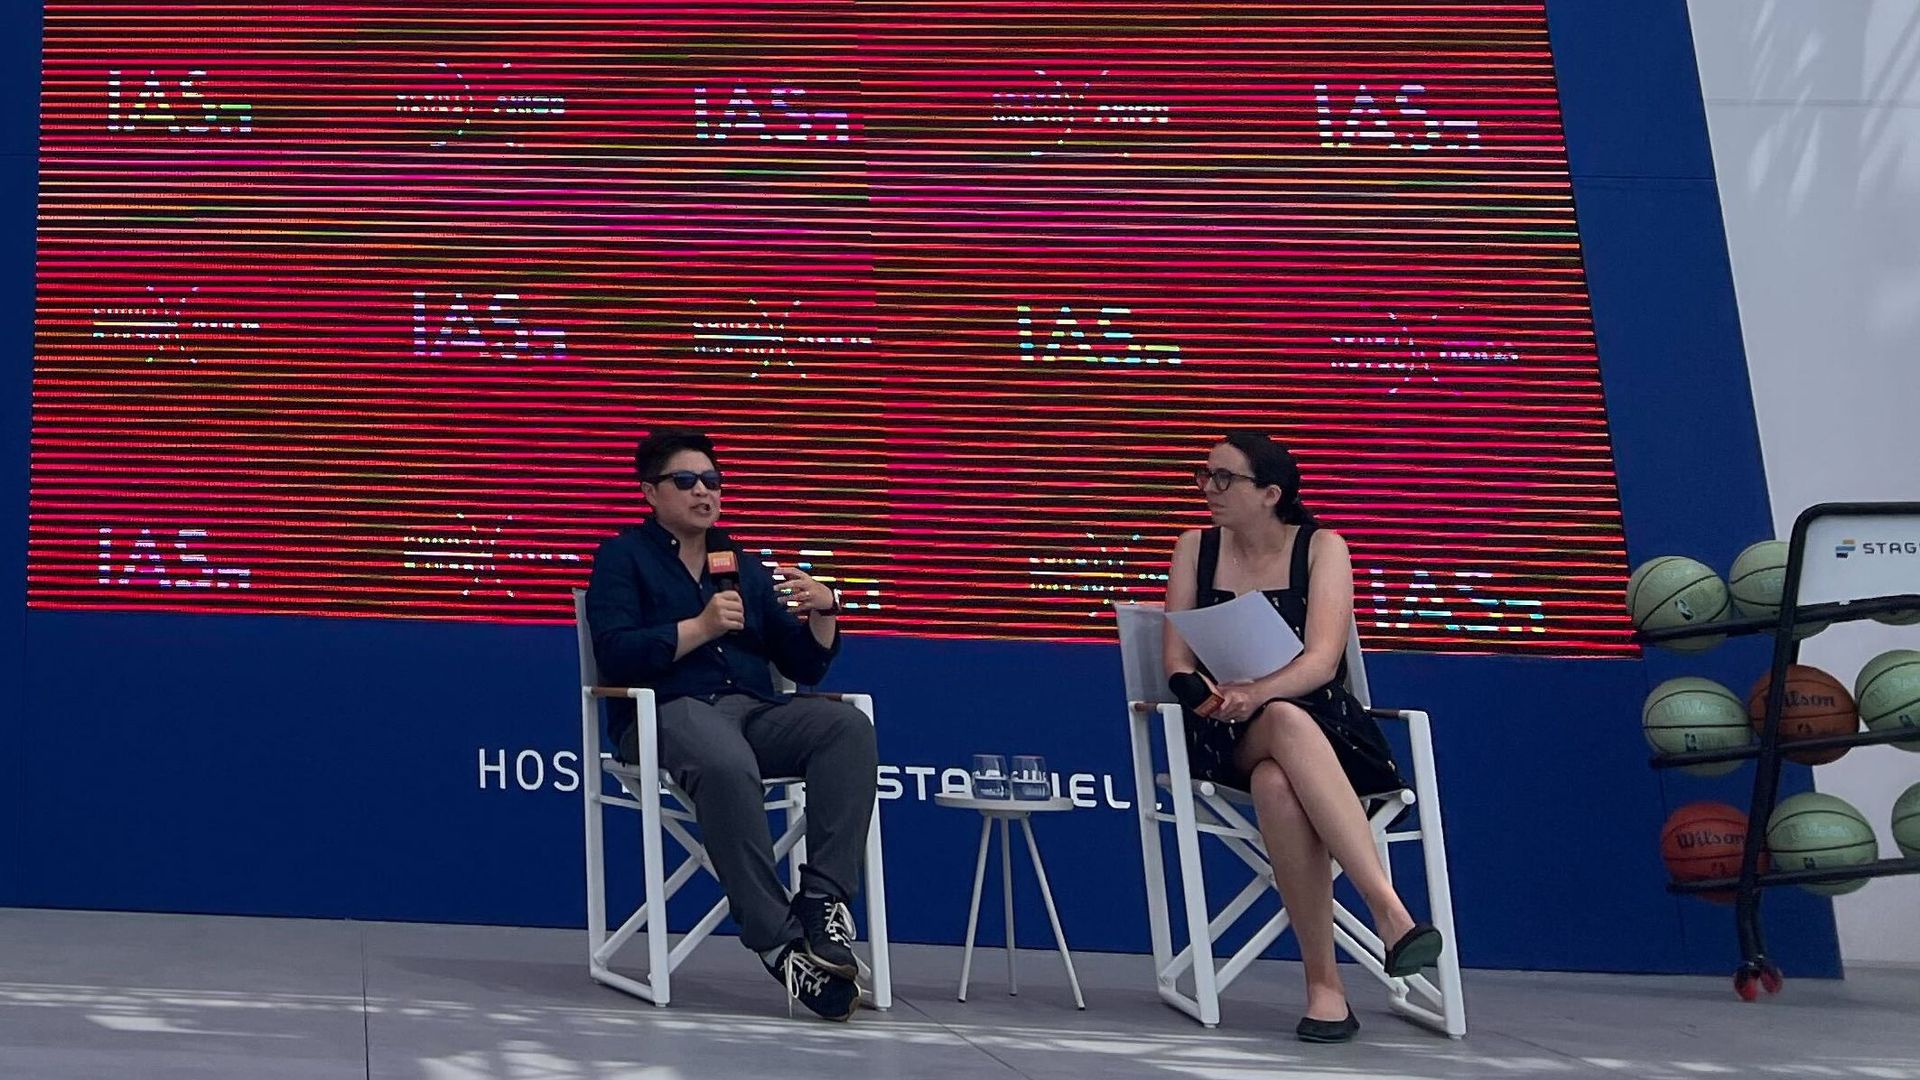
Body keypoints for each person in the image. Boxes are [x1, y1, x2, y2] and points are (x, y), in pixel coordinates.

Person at [585, 428, 876, 1022]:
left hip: (750, 709)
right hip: (666, 712)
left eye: (712, 481)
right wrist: (700, 627)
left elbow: (803, 665)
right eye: (685, 481)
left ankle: (822, 904)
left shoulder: (739, 563)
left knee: (846, 728)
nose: (703, 492)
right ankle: (778, 942)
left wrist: (823, 610)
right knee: (723, 759)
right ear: (650, 492)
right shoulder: (622, 557)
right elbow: (614, 653)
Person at [1162, 432, 1443, 1043]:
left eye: (1223, 479)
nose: (1208, 490)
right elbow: (1176, 663)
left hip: (1328, 731)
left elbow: (1321, 661)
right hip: (1224, 731)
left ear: (1270, 493)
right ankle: (1390, 913)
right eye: (1204, 476)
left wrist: (1257, 691)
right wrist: (1217, 698)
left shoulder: (1323, 547)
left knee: (1279, 782)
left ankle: (1326, 991)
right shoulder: (1194, 548)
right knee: (1279, 731)